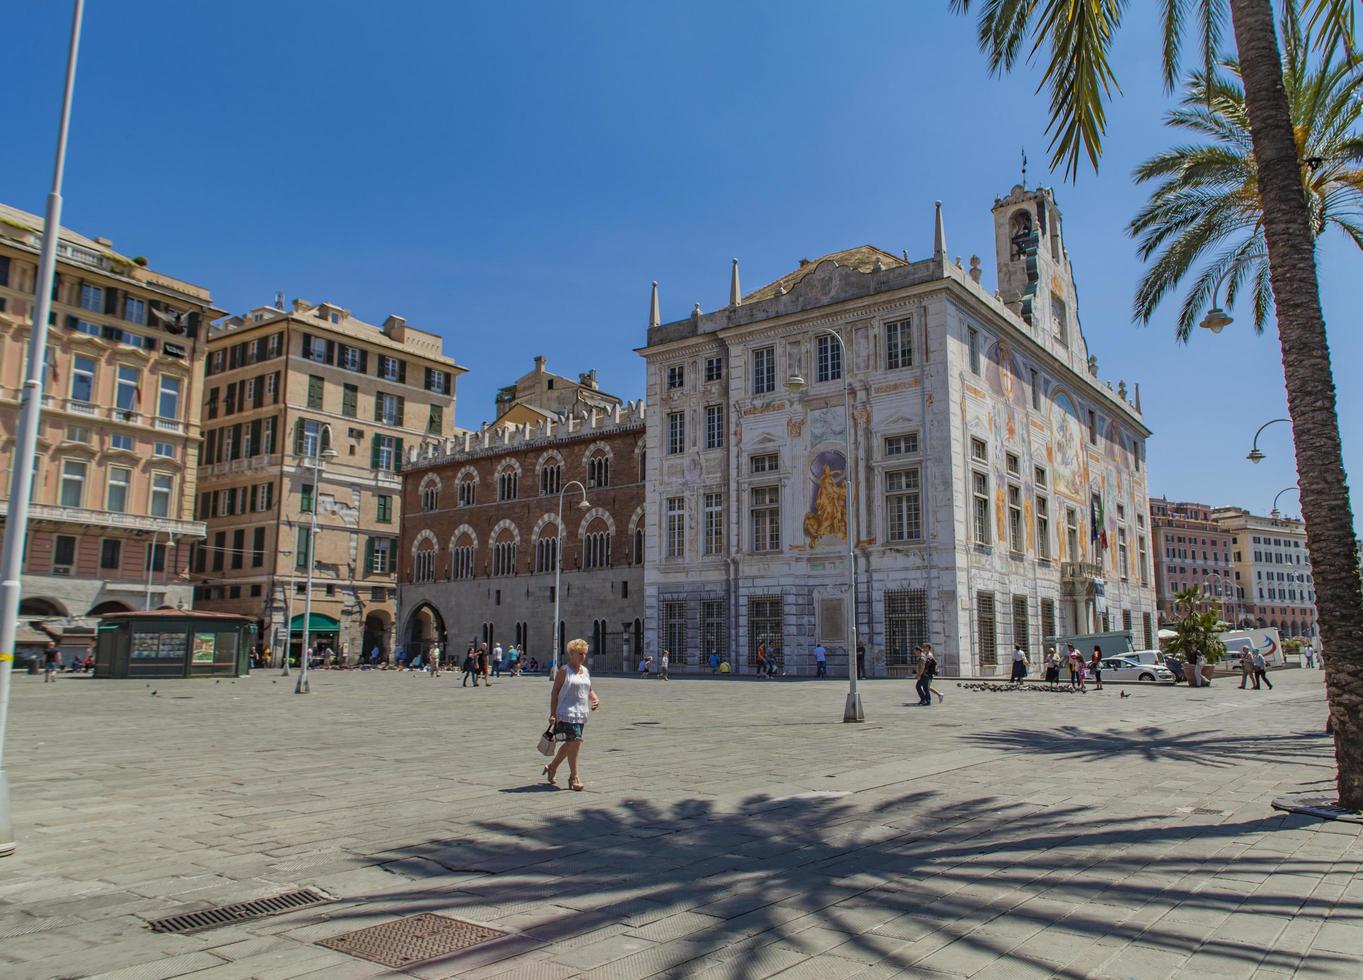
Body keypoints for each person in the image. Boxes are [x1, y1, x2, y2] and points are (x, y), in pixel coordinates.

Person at [544, 638, 600, 791]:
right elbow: (554, 693)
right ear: (572, 654)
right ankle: (574, 777)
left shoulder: (585, 671)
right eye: (580, 653)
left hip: (581, 713)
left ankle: (552, 767)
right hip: (566, 713)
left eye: (585, 654)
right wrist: (553, 713)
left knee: (571, 743)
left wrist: (594, 699)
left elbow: (588, 689)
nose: (583, 657)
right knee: (575, 742)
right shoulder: (564, 671)